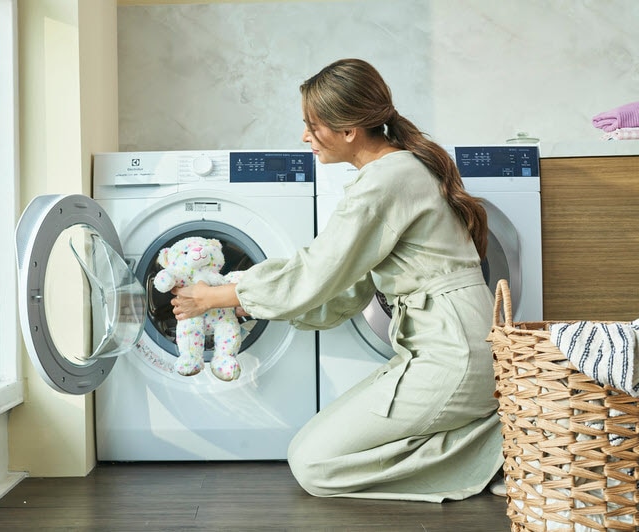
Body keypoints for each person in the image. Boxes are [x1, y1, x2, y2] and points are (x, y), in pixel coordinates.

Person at [170, 58, 503, 502]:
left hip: (452, 356)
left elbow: (317, 271)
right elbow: (347, 287)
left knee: (314, 466)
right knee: (314, 457)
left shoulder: (387, 180)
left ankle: (501, 448)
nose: (305, 137)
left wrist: (216, 295)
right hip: (449, 350)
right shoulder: (396, 172)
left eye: (313, 125)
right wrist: (249, 302)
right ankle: (499, 436)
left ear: (349, 130)